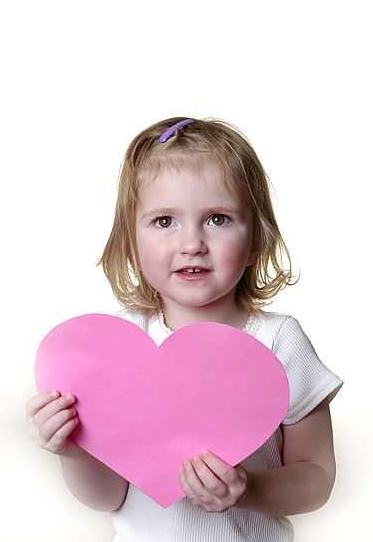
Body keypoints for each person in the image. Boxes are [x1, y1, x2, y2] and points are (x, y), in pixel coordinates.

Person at [25, 117, 343, 541]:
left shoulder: (278, 341)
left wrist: (248, 488)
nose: (191, 242)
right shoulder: (119, 346)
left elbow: (317, 479)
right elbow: (108, 498)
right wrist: (75, 451)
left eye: (217, 219)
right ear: (131, 243)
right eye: (163, 221)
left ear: (257, 242)